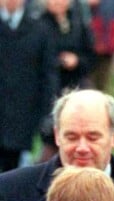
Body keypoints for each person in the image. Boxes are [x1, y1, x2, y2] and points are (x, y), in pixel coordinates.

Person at [0, 0, 58, 171]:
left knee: (13, 167)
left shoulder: (40, 29)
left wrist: (47, 109)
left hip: (23, 111)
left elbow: (48, 72)